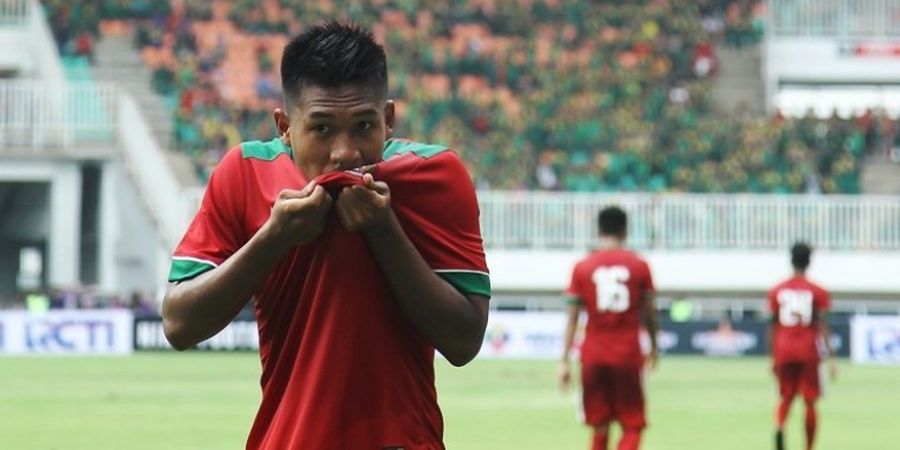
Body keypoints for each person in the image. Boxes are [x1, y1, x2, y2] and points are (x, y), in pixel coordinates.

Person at [161, 22, 491, 449]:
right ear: (285, 125)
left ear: (387, 119)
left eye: (363, 127)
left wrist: (383, 228)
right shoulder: (245, 173)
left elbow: (464, 341)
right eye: (320, 129)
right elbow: (179, 324)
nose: (345, 152)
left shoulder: (435, 177)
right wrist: (273, 237)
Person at [559, 206, 659, 450]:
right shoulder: (639, 265)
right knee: (633, 424)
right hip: (627, 354)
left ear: (599, 229)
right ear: (625, 230)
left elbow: (572, 319)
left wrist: (563, 360)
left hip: (592, 355)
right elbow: (649, 314)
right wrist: (654, 347)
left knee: (600, 424)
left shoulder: (582, 266)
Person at [768, 242, 836, 450]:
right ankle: (808, 447)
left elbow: (772, 325)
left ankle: (780, 425)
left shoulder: (776, 290)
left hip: (783, 349)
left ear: (791, 259)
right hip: (807, 350)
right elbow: (822, 325)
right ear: (809, 261)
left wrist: (771, 356)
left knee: (786, 396)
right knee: (809, 401)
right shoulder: (819, 291)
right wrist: (831, 357)